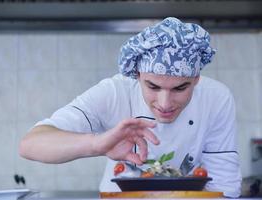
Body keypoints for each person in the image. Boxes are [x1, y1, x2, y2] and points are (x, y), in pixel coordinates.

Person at [19, 17, 241, 197]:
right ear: (137, 75)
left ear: (196, 79)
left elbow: (224, 187)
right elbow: (31, 144)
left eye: (180, 89)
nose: (165, 104)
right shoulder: (115, 92)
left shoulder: (216, 98)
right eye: (153, 86)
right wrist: (98, 144)